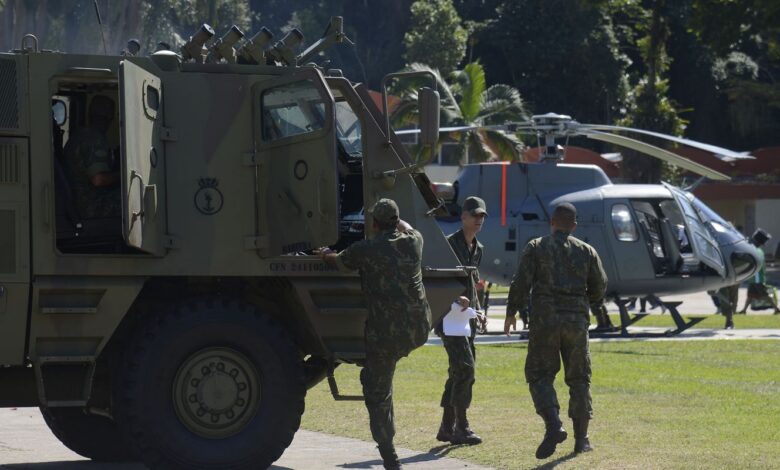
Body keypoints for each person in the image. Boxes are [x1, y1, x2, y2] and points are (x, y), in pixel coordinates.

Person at [319, 198, 431, 470]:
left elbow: (340, 261)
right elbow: (409, 228)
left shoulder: (367, 249)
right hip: (418, 329)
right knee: (383, 376)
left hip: (386, 334)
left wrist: (324, 254)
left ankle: (389, 454)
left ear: (374, 224)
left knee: (376, 390)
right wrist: (398, 220)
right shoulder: (413, 241)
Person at [504, 202, 607, 459]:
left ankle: (553, 425)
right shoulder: (587, 251)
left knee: (539, 375)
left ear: (551, 222)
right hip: (575, 323)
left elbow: (521, 282)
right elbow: (599, 286)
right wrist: (589, 302)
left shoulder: (537, 247)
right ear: (574, 225)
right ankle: (581, 440)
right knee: (579, 379)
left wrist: (511, 312)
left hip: (545, 322)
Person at [435, 196, 488, 446]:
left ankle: (447, 427)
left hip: (466, 321)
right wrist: (456, 296)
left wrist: (478, 311)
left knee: (457, 371)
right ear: (463, 217)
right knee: (466, 369)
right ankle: (461, 427)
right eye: (474, 215)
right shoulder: (447, 246)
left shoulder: (478, 249)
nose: (479, 220)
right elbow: (436, 281)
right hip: (448, 319)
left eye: (482, 216)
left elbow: (472, 286)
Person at [62, 95, 121, 220]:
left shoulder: (79, 135)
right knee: (134, 198)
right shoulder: (94, 139)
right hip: (90, 206)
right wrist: (122, 175)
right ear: (109, 117)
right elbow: (98, 180)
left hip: (77, 201)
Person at [738, 229, 780, 315]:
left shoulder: (756, 250)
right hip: (754, 277)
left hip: (757, 278)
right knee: (750, 295)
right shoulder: (758, 250)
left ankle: (776, 309)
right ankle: (744, 310)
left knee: (764, 295)